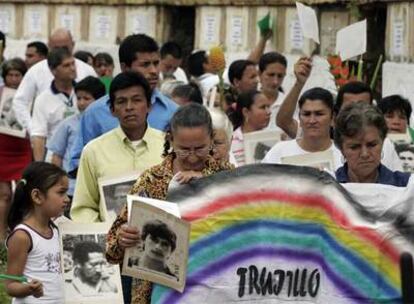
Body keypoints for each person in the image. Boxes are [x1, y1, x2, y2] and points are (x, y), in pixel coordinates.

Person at [106, 103, 234, 303]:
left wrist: (205, 181)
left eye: (200, 148)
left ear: (211, 140)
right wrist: (124, 238)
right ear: (170, 140)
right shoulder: (152, 179)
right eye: (183, 149)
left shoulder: (228, 178)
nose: (192, 156)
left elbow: (243, 228)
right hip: (155, 293)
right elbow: (112, 248)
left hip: (213, 289)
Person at [68, 34, 178, 174]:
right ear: (125, 67)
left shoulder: (173, 112)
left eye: (156, 63)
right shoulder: (95, 112)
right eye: (145, 65)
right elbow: (79, 161)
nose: (153, 71)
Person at [70, 71, 165, 223]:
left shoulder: (170, 147)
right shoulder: (94, 151)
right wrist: (108, 234)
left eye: (136, 100)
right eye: (121, 101)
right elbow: (83, 208)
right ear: (112, 110)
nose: (129, 107)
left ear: (149, 106)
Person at [5, 162, 69, 303]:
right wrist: (29, 289)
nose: (67, 199)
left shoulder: (57, 230)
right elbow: (10, 285)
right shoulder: (22, 236)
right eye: (61, 192)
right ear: (37, 196)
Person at [12, 28, 96, 133]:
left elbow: (99, 103)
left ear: (73, 45)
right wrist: (32, 128)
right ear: (49, 47)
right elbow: (20, 102)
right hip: (48, 139)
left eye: (65, 48)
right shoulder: (36, 71)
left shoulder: (87, 70)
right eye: (56, 48)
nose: (61, 52)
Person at [47, 76, 106, 213]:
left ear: (100, 101)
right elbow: (57, 156)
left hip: (98, 184)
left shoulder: (106, 124)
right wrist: (58, 184)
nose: (81, 103)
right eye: (78, 98)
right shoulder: (68, 124)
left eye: (86, 99)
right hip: (72, 187)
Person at [263, 87, 342, 169]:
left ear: (332, 118)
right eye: (306, 114)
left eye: (319, 114)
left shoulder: (342, 154)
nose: (312, 121)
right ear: (299, 118)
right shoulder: (279, 151)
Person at [334, 102, 411, 186]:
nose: (365, 154)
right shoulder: (325, 188)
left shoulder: (407, 187)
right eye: (355, 147)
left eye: (372, 145)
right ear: (341, 149)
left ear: (382, 142)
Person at [0, 58, 30, 240]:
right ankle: (2, 234)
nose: (13, 79)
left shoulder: (30, 95)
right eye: (10, 75)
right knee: (3, 194)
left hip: (23, 147)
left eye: (17, 75)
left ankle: (20, 232)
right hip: (2, 146)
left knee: (22, 191)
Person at [31, 47, 77, 162]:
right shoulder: (43, 99)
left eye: (73, 64)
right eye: (66, 65)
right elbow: (39, 136)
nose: (72, 68)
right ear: (53, 70)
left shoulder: (85, 92)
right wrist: (40, 169)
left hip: (81, 157)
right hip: (55, 161)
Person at [230, 90, 272, 166]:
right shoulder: (230, 142)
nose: (269, 112)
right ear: (246, 112)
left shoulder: (274, 138)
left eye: (268, 107)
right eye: (263, 107)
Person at [258, 52, 288, 130]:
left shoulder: (289, 104)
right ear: (260, 74)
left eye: (280, 76)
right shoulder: (248, 101)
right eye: (271, 75)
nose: (275, 81)